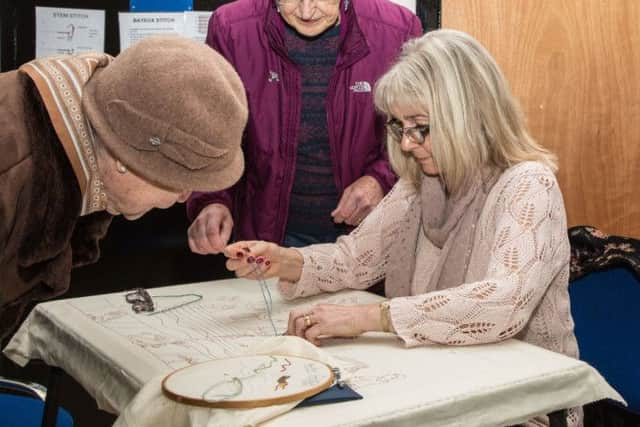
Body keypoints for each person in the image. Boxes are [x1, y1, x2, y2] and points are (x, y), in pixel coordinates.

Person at [225, 29, 581, 426]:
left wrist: (372, 318)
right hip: (440, 382)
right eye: (399, 126)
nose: (407, 143)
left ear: (469, 116)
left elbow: (502, 304)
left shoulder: (528, 183)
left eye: (420, 126)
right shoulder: (419, 183)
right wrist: (283, 260)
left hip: (521, 407)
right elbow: (355, 259)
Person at [0, 36, 248, 339]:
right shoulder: (10, 175)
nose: (184, 197)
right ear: (125, 159)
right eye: (180, 183)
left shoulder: (85, 142)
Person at [187, 0, 423, 252]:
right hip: (267, 236)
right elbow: (214, 131)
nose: (306, 11)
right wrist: (213, 200)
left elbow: (419, 130)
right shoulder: (231, 28)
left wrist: (380, 180)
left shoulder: (398, 29)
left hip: (367, 237)